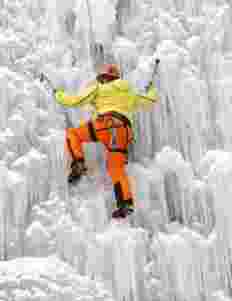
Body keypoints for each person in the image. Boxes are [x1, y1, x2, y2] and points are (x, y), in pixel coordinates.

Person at [53, 64, 158, 219]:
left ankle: (78, 163)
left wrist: (58, 94)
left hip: (105, 125)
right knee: (116, 168)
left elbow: (75, 101)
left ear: (104, 78)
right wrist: (151, 89)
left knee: (73, 134)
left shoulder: (99, 88)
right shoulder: (129, 92)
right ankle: (125, 203)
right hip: (123, 131)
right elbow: (149, 100)